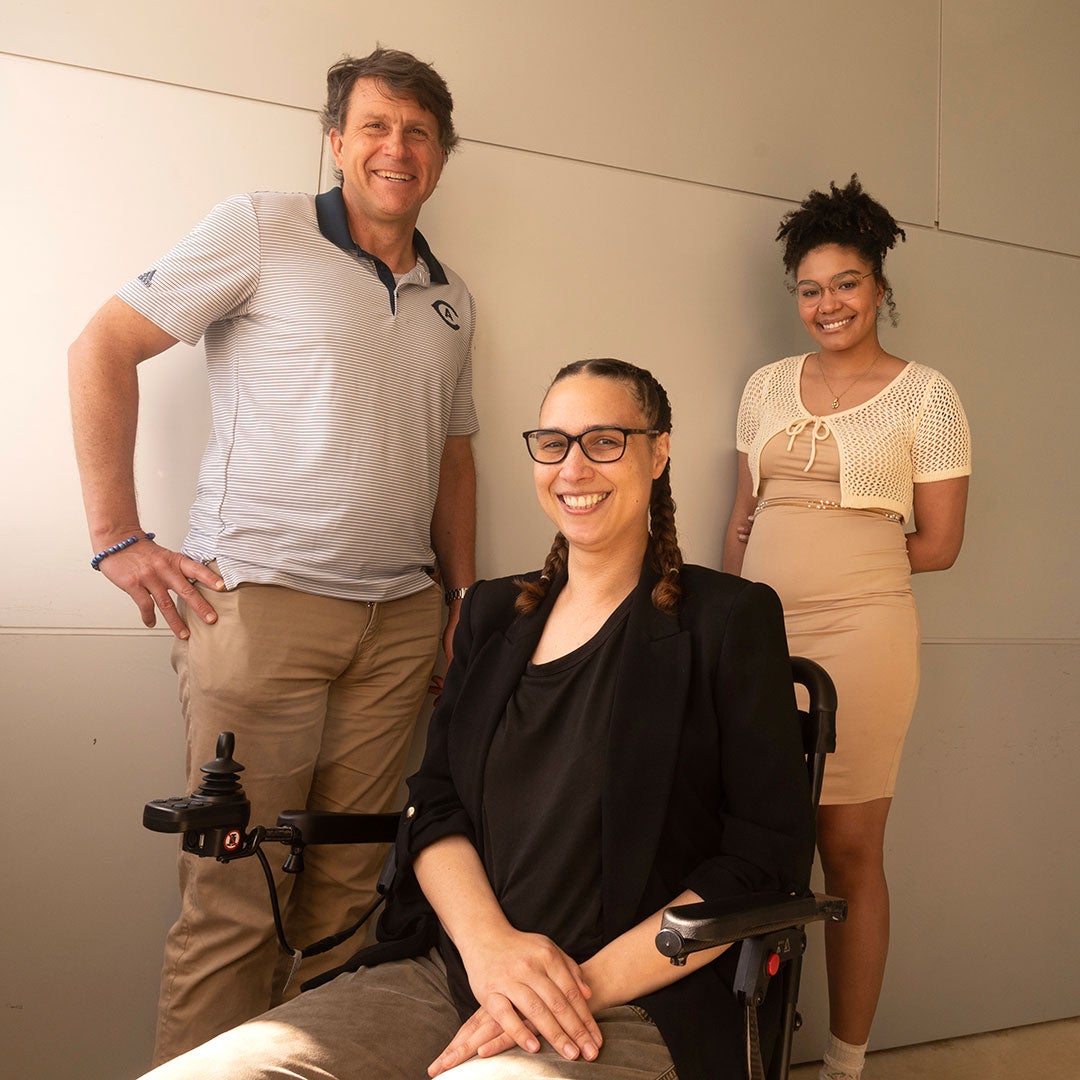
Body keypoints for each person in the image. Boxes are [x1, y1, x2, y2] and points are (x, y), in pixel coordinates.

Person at [135, 358, 815, 1080]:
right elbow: (435, 803)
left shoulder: (728, 619)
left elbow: (763, 857)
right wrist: (491, 952)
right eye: (553, 444)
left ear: (658, 451)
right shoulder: (492, 614)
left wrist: (564, 990)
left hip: (628, 1000)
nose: (573, 468)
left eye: (604, 441)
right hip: (450, 973)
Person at [68, 48, 478, 1064]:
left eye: (419, 132)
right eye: (376, 126)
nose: (398, 147)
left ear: (441, 156)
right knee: (237, 897)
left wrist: (460, 598)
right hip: (257, 610)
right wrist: (117, 538)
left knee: (349, 895)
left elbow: (454, 456)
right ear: (335, 141)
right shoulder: (260, 226)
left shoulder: (451, 295)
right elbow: (102, 346)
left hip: (398, 627)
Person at [722, 176, 971, 1080]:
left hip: (866, 637)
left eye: (848, 283)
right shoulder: (764, 387)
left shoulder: (925, 396)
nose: (829, 303)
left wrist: (846, 561)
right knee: (756, 835)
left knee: (849, 848)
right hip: (759, 636)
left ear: (879, 288)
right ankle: (744, 1047)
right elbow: (741, 519)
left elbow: (938, 544)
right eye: (812, 288)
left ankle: (846, 1063)